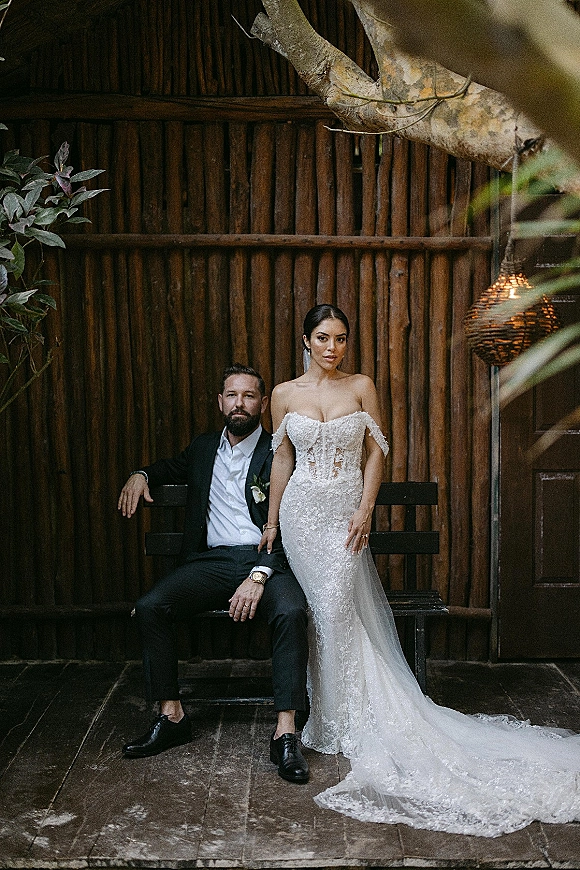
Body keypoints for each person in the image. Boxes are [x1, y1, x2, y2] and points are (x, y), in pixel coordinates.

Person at [259, 303, 580, 837]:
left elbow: (377, 453)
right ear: (305, 342)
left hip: (342, 514)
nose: (332, 347)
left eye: (340, 337)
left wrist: (365, 511)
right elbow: (282, 460)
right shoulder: (284, 395)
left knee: (337, 610)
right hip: (299, 517)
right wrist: (271, 522)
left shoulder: (361, 386)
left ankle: (353, 721)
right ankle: (328, 717)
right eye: (322, 337)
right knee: (323, 614)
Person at [118, 363, 309, 784]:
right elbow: (171, 467)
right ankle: (171, 717)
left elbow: (296, 523)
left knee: (291, 611)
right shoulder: (204, 448)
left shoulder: (280, 450)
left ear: (263, 403)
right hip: (211, 563)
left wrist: (259, 574)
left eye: (249, 396)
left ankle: (286, 732)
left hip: (268, 560)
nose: (239, 403)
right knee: (151, 606)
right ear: (220, 401)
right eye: (231, 395)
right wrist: (142, 474)